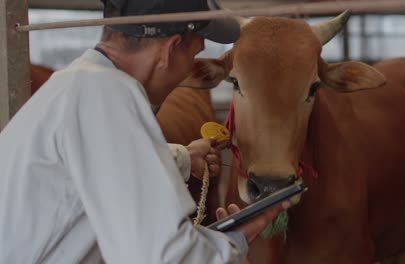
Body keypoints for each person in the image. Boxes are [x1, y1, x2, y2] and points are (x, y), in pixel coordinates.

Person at [0, 0, 290, 263]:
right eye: (194, 54)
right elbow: (161, 258)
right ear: (169, 49)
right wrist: (232, 244)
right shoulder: (108, 96)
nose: (190, 68)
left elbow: (101, 168)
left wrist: (183, 158)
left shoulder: (77, 85)